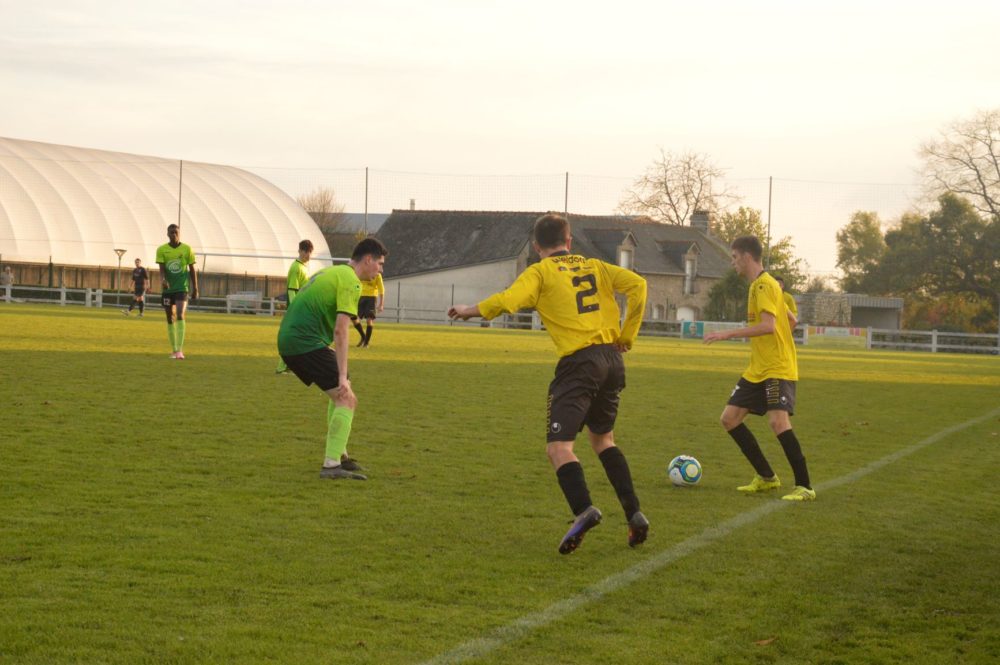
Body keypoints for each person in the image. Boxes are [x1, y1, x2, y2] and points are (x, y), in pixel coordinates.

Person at [448, 213, 649, 554]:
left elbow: (508, 301)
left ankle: (584, 509)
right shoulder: (596, 266)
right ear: (569, 241)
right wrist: (626, 335)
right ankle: (635, 515)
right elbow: (639, 285)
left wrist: (470, 310)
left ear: (536, 246)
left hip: (580, 363)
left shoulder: (540, 272)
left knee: (559, 448)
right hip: (612, 360)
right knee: (603, 440)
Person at [703, 236, 815, 501]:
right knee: (729, 419)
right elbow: (791, 320)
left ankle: (805, 487)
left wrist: (727, 334)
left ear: (746, 256)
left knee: (778, 422)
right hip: (758, 368)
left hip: (776, 368)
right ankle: (767, 477)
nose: (733, 263)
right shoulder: (762, 285)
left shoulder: (764, 285)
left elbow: (768, 326)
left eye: (734, 257)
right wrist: (780, 341)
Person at [278, 237, 388, 480]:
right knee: (346, 397)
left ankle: (340, 455)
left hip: (293, 339)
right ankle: (331, 465)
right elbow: (341, 330)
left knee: (343, 387)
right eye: (380, 264)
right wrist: (341, 375)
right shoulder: (351, 281)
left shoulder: (334, 272)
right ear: (367, 260)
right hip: (303, 342)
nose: (380, 270)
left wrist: (343, 376)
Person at [155, 224, 198, 359]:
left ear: (179, 233)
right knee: (170, 317)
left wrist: (195, 288)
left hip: (182, 288)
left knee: (180, 314)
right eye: (171, 232)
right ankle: (174, 350)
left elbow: (192, 269)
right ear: (167, 234)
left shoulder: (187, 249)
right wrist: (163, 280)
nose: (174, 234)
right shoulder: (162, 250)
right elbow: (162, 269)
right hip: (168, 289)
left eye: (176, 232)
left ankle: (180, 350)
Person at [276, 239, 314, 374]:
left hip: (302, 308)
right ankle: (281, 367)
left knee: (295, 338)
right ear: (300, 251)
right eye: (306, 252)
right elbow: (292, 290)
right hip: (296, 309)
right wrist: (294, 309)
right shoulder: (296, 267)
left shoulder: (304, 267)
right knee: (293, 338)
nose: (308, 255)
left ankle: (287, 366)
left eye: (310, 252)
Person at [351, 271, 384, 347]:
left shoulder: (377, 275)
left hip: (371, 298)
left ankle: (366, 343)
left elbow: (381, 290)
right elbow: (356, 285)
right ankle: (363, 336)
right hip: (360, 297)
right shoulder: (361, 273)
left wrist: (381, 304)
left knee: (369, 320)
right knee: (353, 317)